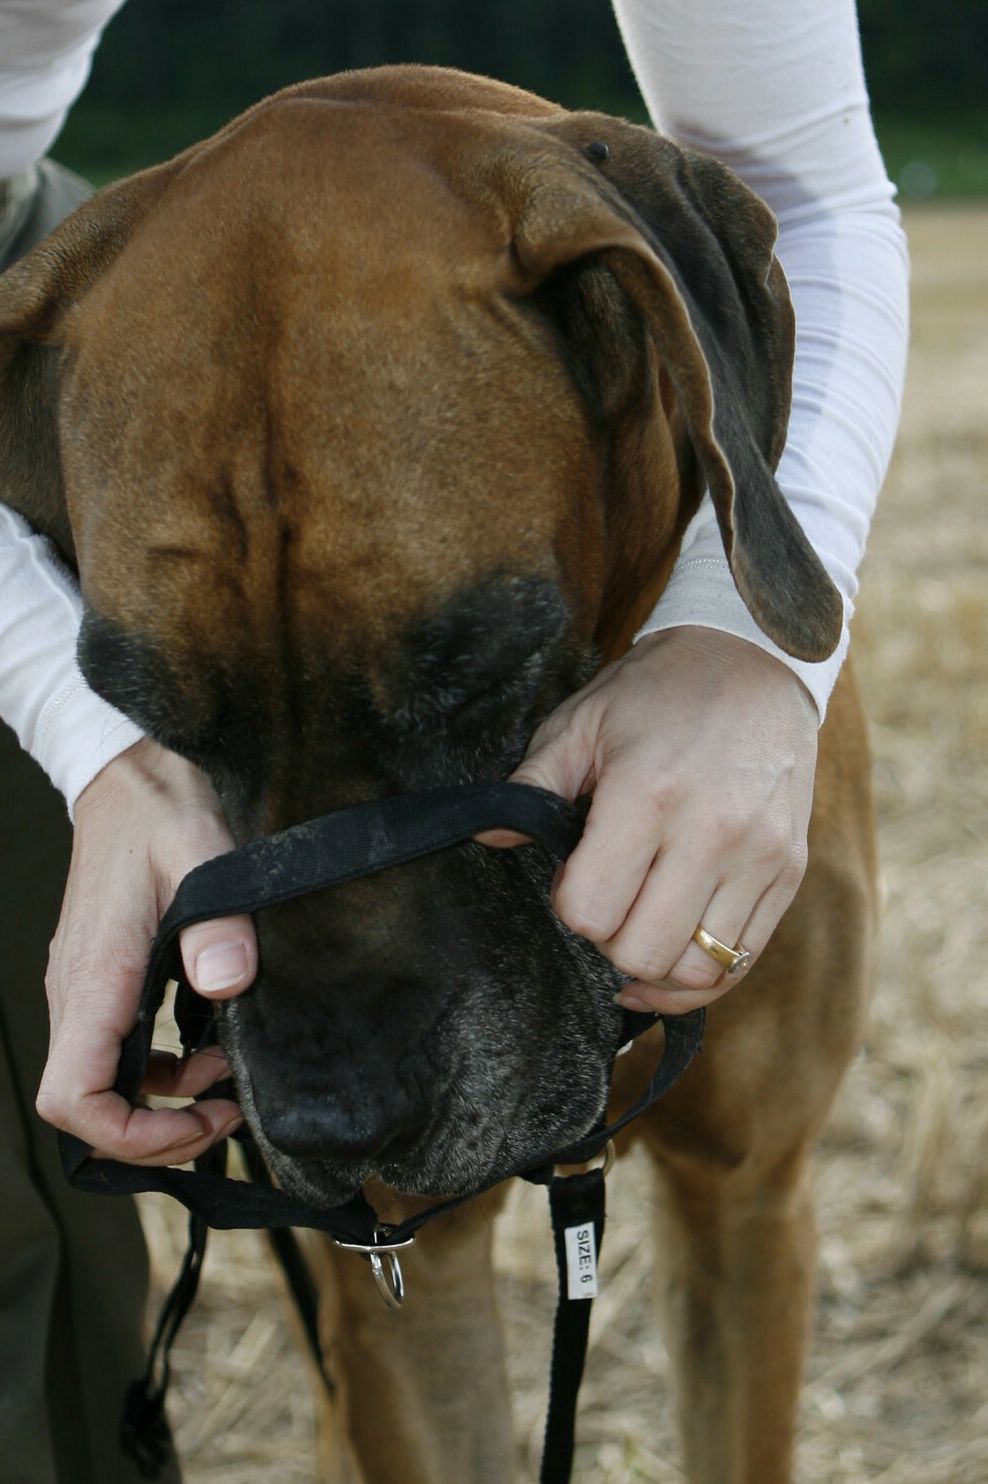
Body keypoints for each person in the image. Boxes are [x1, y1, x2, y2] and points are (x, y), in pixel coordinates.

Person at [0, 1, 909, 1480]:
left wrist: (740, 644)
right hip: (53, 278)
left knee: (746, 1178)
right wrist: (92, 730)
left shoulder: (586, 317)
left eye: (461, 675)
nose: (330, 1099)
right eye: (186, 705)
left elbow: (803, 171)